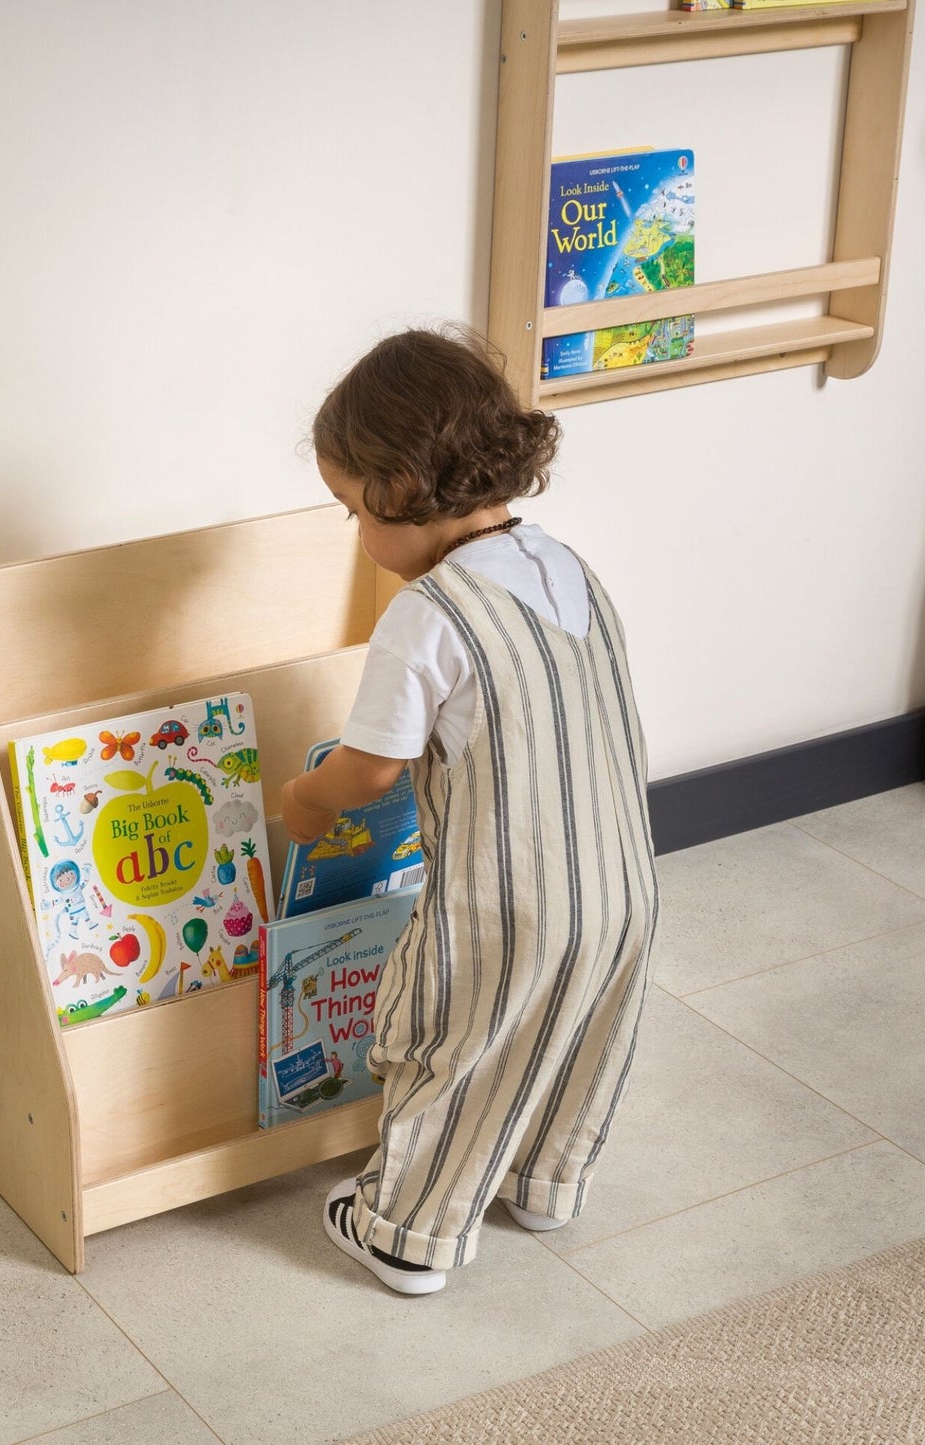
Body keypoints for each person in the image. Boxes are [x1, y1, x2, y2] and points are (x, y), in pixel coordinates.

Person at [280, 326, 659, 1295]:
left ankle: (406, 1231)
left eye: (348, 511)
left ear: (400, 486)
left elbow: (367, 771)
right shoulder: (565, 566)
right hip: (619, 887)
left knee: (450, 1046)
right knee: (573, 1031)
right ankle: (543, 1182)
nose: (355, 539)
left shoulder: (427, 615)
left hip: (505, 901)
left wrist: (304, 801)